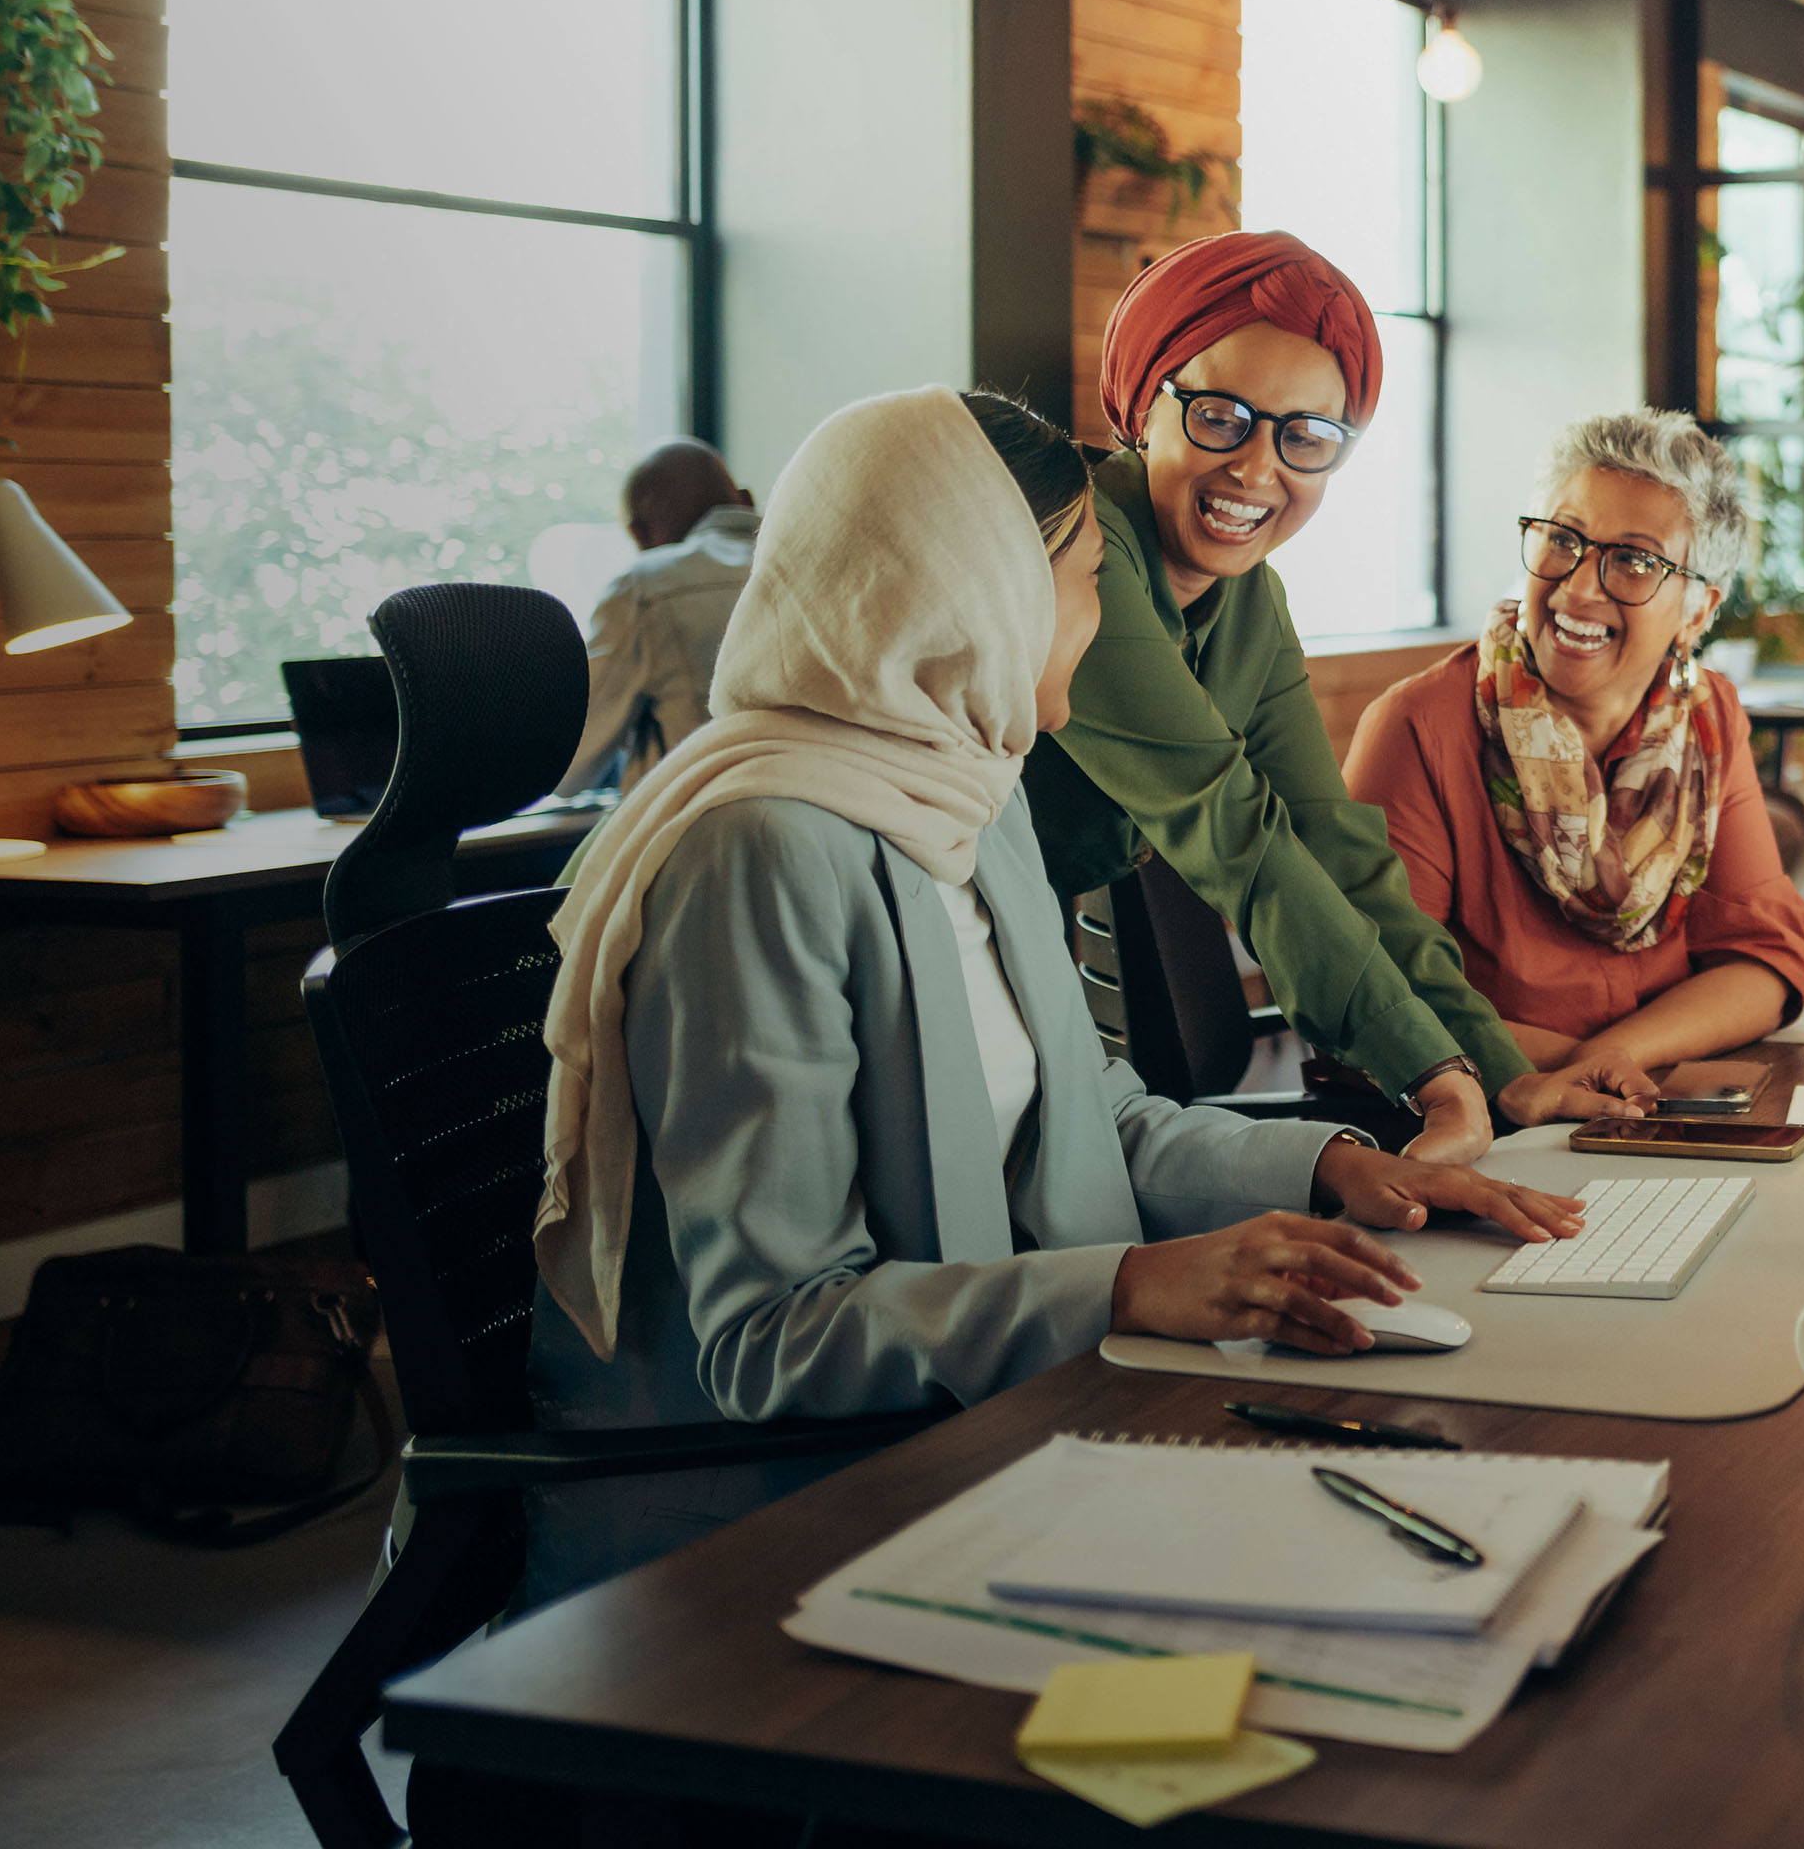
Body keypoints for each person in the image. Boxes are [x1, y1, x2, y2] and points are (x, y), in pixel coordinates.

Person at [523, 387, 1580, 1607]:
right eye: (1085, 579)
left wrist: (1337, 1166)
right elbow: (776, 1334)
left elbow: (1093, 1112)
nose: (1100, 615)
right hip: (800, 1525)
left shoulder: (971, 787)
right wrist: (1133, 1284)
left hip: (1012, 1427)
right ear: (981, 593)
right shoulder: (762, 852)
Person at [1026, 231, 1647, 1163]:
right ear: (1143, 403)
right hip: (924, 951)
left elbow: (1334, 846)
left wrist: (1495, 1070)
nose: (1256, 470)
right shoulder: (1084, 557)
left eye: (1307, 437)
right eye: (1220, 416)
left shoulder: (1248, 598)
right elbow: (1239, 835)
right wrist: (1428, 1074)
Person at [1345, 410, 1804, 1078]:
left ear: (1697, 612)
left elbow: (1764, 959)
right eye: (1562, 539)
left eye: (1632, 561)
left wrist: (1607, 1064)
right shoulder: (1419, 727)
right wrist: (1580, 1079)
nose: (1578, 585)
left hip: (1643, 1097)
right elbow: (1381, 1001)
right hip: (1480, 1117)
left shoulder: (1707, 719)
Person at [559, 438, 760, 793]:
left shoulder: (646, 586)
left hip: (702, 828)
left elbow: (568, 764)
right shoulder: (820, 570)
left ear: (638, 534)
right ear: (745, 501)